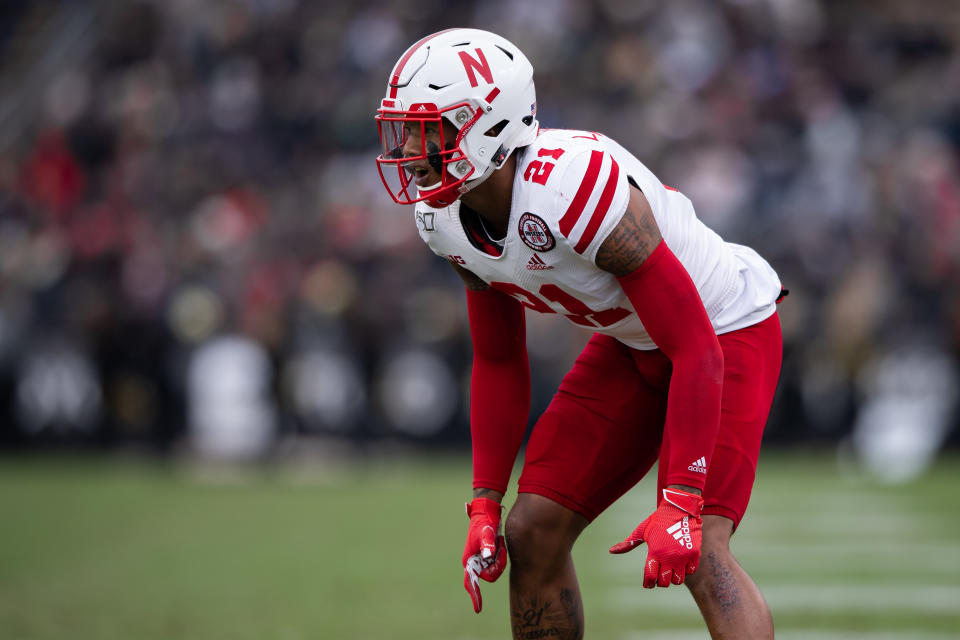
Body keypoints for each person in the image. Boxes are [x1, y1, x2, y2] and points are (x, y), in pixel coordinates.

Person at [374, 28, 784, 640]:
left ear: (487, 126)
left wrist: (682, 498)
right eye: (406, 127)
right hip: (635, 341)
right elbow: (499, 360)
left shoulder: (573, 187)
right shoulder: (442, 219)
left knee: (699, 549)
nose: (408, 145)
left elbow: (696, 346)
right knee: (531, 529)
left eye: (424, 128)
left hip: (725, 330)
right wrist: (485, 498)